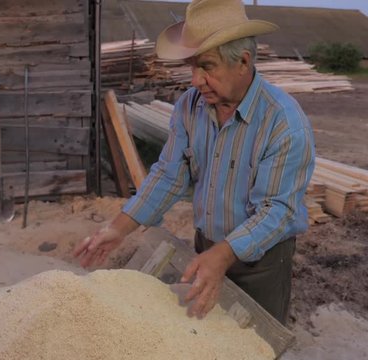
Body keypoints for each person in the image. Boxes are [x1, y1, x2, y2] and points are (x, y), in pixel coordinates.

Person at [74, 0, 315, 325]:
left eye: (207, 66)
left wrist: (224, 254)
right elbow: (169, 175)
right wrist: (118, 228)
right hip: (206, 247)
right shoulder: (190, 107)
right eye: (192, 67)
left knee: (256, 343)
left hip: (262, 261)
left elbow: (277, 210)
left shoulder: (283, 122)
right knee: (205, 336)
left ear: (243, 62)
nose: (195, 80)